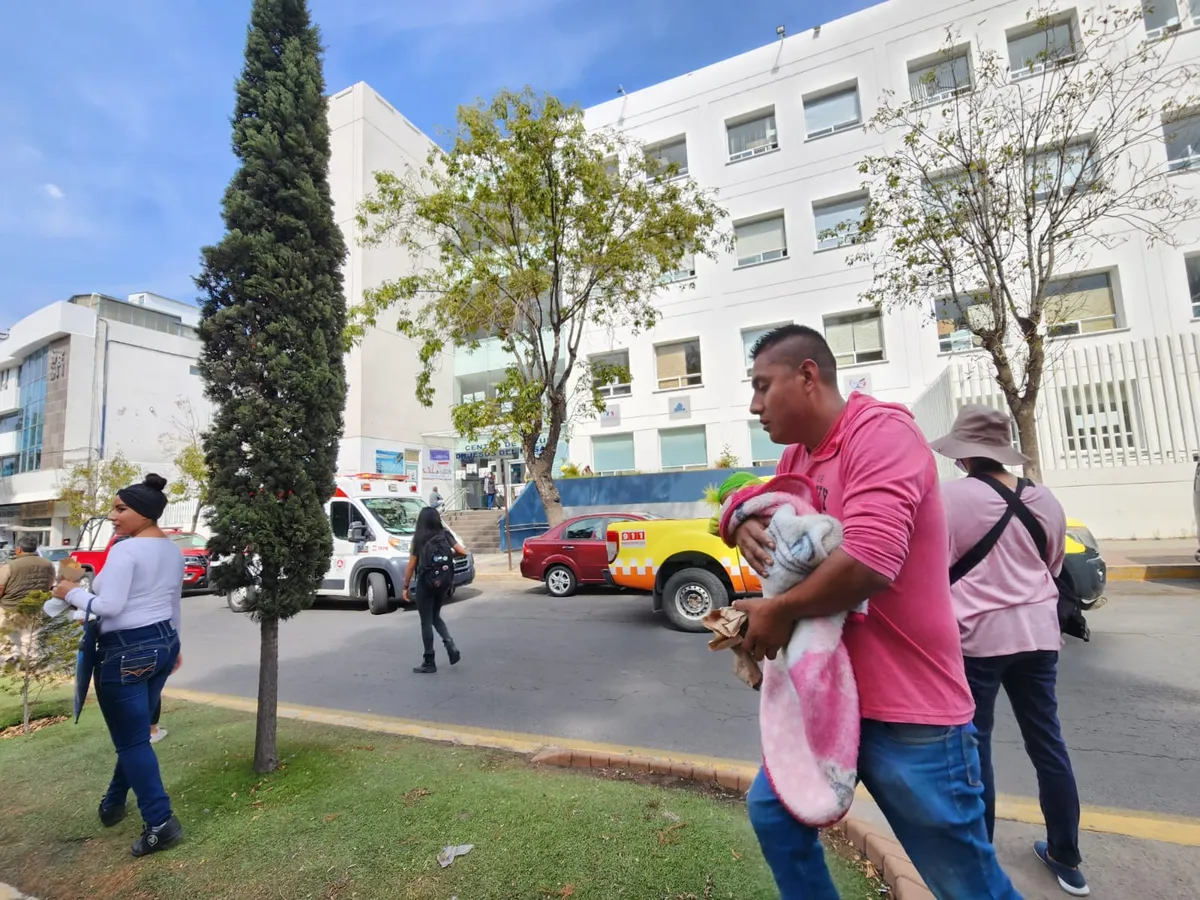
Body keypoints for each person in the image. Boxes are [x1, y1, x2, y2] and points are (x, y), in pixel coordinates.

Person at [731, 325, 1020, 900]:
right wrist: (738, 517)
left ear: (808, 376)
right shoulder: (799, 454)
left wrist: (778, 610)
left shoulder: (881, 433)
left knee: (966, 886)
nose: (754, 405)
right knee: (773, 812)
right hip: (832, 699)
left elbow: (870, 560)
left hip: (912, 711)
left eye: (764, 386)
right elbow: (763, 496)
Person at [934, 405, 1088, 897]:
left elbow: (934, 572)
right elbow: (1052, 562)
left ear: (964, 456)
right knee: (1048, 743)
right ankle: (1066, 856)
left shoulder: (949, 501)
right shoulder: (1047, 500)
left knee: (975, 747)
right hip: (1040, 636)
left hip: (977, 640)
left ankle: (981, 860)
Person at [53, 474, 185, 858]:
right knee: (135, 736)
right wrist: (175, 646)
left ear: (144, 513)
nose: (112, 515)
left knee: (131, 740)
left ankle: (160, 822)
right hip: (161, 642)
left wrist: (69, 593)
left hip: (126, 652)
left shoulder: (127, 551)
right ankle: (114, 801)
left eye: (120, 509)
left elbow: (109, 606)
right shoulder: (171, 550)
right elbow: (172, 602)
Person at [402, 506, 465, 674]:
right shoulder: (445, 535)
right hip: (442, 583)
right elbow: (462, 551)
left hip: (425, 583)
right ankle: (449, 644)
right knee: (435, 616)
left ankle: (429, 661)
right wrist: (445, 557)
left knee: (426, 621)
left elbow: (410, 566)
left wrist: (406, 586)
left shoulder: (419, 539)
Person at [0, 534, 55, 640]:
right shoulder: (48, 564)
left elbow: (1, 587)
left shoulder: (10, 566)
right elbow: (50, 583)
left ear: (19, 550)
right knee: (31, 640)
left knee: (7, 640)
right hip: (37, 609)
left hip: (11, 609)